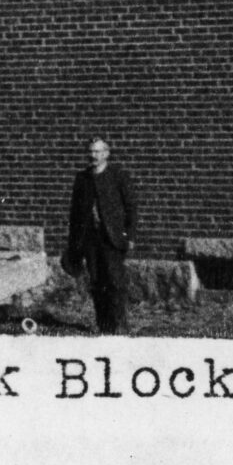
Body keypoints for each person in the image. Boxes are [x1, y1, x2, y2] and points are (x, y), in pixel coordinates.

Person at [64, 136, 138, 334]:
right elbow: (75, 213)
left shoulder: (118, 176)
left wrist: (129, 235)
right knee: (97, 282)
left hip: (112, 238)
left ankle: (119, 325)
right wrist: (73, 244)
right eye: (91, 152)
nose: (93, 155)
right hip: (90, 238)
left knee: (115, 281)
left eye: (97, 151)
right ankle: (103, 325)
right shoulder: (83, 178)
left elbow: (131, 207)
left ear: (106, 153)